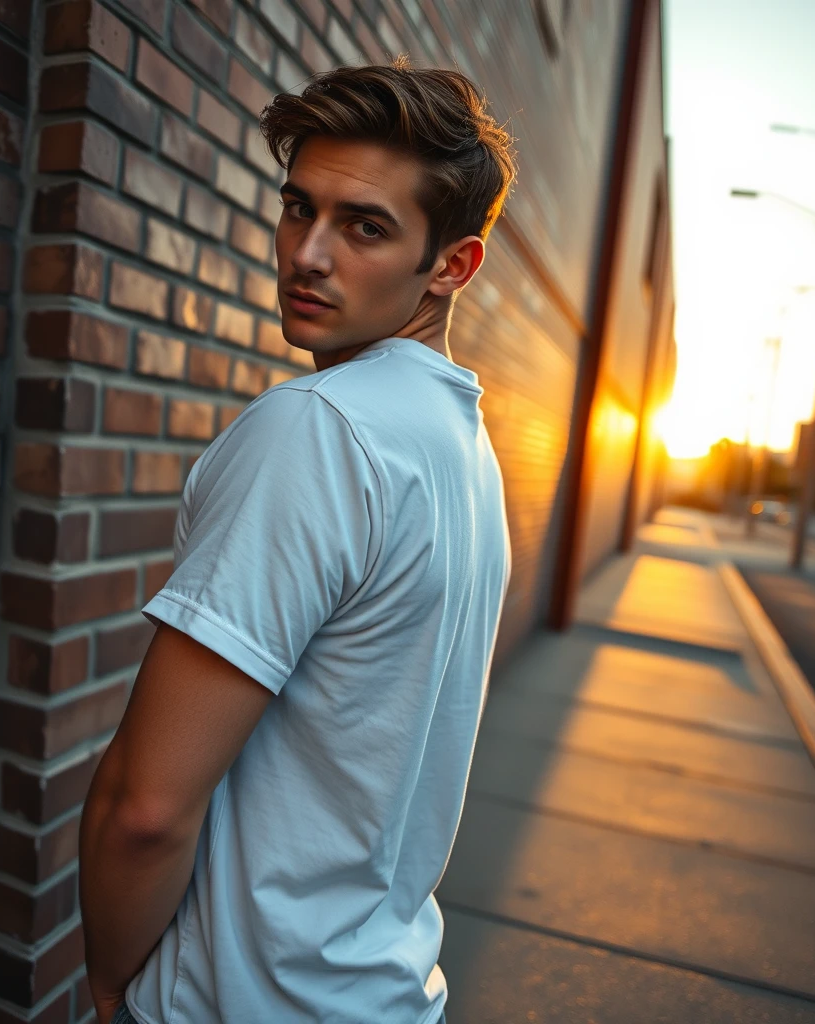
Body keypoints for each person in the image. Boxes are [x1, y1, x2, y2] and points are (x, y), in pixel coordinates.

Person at [79, 56, 516, 1024]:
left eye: (363, 226)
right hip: (377, 990)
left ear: (451, 264)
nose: (306, 253)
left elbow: (144, 810)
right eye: (296, 208)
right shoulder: (459, 446)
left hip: (239, 996)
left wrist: (111, 987)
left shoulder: (321, 427)